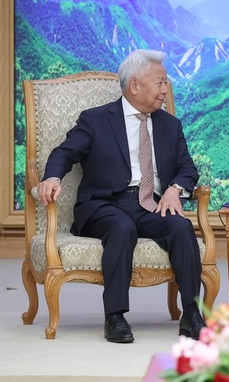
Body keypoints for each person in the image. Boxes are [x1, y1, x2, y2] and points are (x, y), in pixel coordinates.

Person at [37, 49, 204, 344]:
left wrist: (174, 190)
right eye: (160, 82)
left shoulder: (170, 125)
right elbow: (65, 153)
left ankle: (191, 313)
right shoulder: (96, 119)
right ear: (135, 85)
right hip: (103, 204)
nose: (166, 89)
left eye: (166, 83)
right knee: (120, 226)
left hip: (150, 204)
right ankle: (114, 316)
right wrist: (52, 176)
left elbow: (187, 169)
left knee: (181, 226)